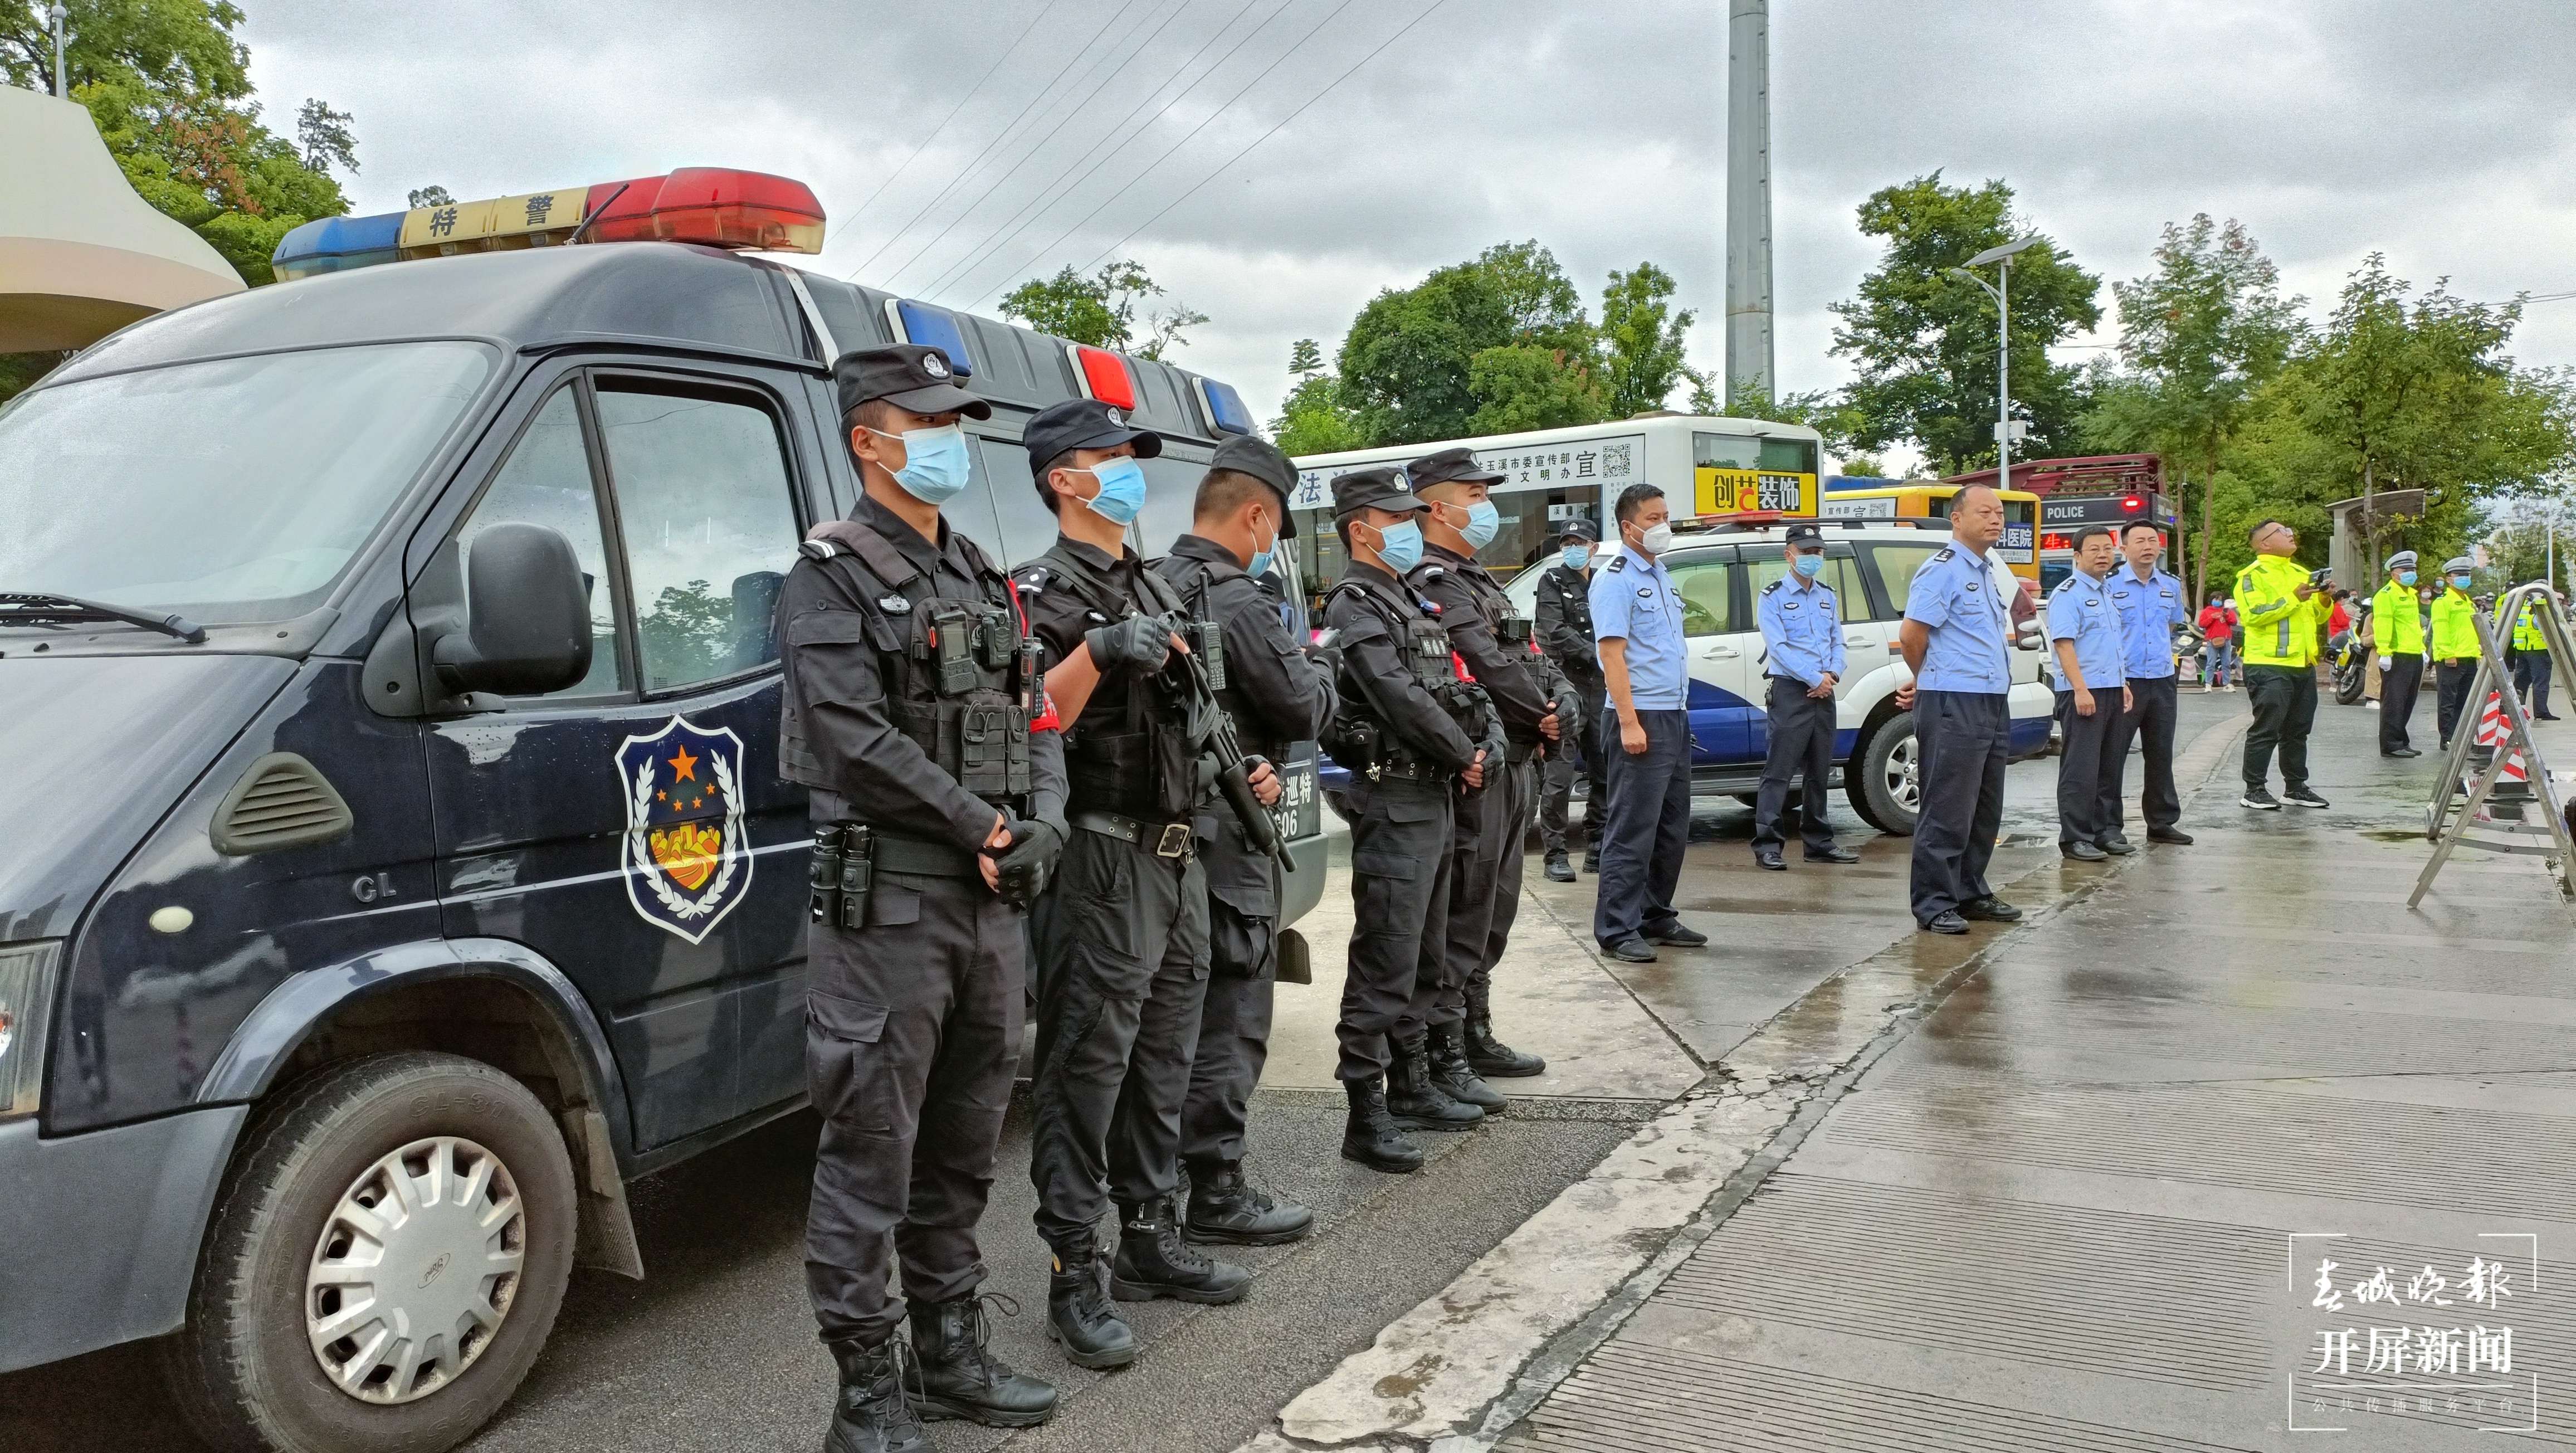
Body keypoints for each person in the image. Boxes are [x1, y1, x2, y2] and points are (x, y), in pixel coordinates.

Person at [776, 344, 1063, 1449]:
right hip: (889, 911)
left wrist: (1038, 815)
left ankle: (948, 1356)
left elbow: (1034, 713)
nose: (951, 438)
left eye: (956, 421)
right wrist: (981, 824)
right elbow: (850, 734)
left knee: (959, 1144)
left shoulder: (979, 573)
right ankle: (866, 1396)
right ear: (869, 440)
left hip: (988, 910)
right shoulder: (831, 574)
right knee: (872, 1152)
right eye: (929, 421)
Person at [1010, 399, 1242, 1371]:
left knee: (1163, 1053)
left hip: (1180, 849)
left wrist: (1243, 771)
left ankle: (1148, 1234)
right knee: (1087, 1063)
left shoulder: (1154, 578)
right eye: (1107, 456)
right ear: (1062, 477)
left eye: (1130, 455)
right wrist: (1098, 652)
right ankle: (1075, 1267)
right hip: (1103, 857)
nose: (1126, 469)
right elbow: (1032, 716)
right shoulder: (1039, 588)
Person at [1153, 436, 1330, 1247]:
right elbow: (1298, 704)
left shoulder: (1154, 582)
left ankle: (1167, 1194)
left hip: (1163, 841)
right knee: (1232, 1017)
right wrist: (1320, 671)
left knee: (1171, 1025)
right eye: (1276, 524)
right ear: (1256, 515)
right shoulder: (1240, 598)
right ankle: (1217, 1192)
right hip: (1231, 832)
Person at [1319, 467, 1498, 1173]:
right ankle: (1365, 1115)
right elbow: (1396, 697)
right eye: (1396, 518)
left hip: (1435, 793)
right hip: (1394, 797)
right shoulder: (1354, 606)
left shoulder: (1407, 600)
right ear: (1362, 529)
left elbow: (1453, 684)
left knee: (1426, 951)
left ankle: (1413, 1085)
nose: (1408, 527)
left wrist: (1477, 743)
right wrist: (1463, 754)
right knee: (1386, 957)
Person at [1406, 447, 1558, 1089]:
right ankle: (1448, 1052)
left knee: (1496, 907)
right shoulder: (1432, 580)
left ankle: (1475, 1028)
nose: (1485, 505)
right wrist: (1541, 711)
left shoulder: (1481, 578)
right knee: (1466, 909)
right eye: (1474, 495)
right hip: (1482, 764)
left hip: (1520, 759)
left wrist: (1559, 702)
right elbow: (1487, 665)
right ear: (1437, 506)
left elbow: (1528, 652)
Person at [1590, 482, 1710, 964]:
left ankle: (1654, 914)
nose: (1664, 525)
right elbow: (1611, 654)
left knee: (1671, 825)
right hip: (1639, 716)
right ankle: (1617, 929)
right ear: (1628, 526)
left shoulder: (1660, 574)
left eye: (1666, 514)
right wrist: (1629, 722)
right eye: (1654, 517)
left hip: (1673, 713)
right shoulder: (1616, 578)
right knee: (1632, 827)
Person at [1894, 485, 2022, 935]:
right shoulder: (1942, 570)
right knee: (1948, 806)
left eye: (2000, 512)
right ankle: (1934, 903)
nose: (1996, 519)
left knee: (1985, 805)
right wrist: (1930, 677)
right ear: (1958, 519)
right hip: (1954, 699)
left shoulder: (1987, 571)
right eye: (1985, 511)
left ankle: (1971, 890)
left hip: (1989, 699)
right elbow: (1913, 636)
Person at [1751, 521, 1860, 870]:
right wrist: (1816, 677)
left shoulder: (1827, 596)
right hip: (1791, 691)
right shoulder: (1772, 597)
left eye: (1818, 552)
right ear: (1789, 555)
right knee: (1778, 772)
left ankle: (1819, 842)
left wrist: (1832, 674)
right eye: (1806, 552)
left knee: (1820, 771)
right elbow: (1778, 647)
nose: (1813, 558)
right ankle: (1768, 845)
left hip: (1824, 692)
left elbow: (1837, 641)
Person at [2102, 520, 2193, 846]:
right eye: (2139, 541)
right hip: (2124, 683)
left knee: (2160, 754)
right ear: (2124, 548)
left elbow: (2179, 628)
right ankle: (2109, 827)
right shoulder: (2109, 585)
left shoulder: (2170, 584)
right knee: (2114, 755)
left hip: (2162, 679)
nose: (2147, 546)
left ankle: (2162, 822)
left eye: (2153, 540)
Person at [2235, 519, 2331, 810]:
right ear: (2264, 544)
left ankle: (2296, 787)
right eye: (2282, 533)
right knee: (2267, 729)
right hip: (2268, 664)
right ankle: (2254, 789)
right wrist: (2293, 598)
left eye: (2290, 531)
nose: (2291, 535)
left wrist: (2325, 599)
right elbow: (2254, 614)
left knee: (2298, 730)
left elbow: (2315, 617)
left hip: (2302, 663)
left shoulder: (2301, 573)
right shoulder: (2252, 575)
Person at [2048, 526, 2131, 861]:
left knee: (2108, 766)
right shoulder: (2068, 594)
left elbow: (2110, 647)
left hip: (2110, 689)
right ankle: (2076, 837)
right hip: (2083, 690)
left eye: (2107, 549)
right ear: (2077, 556)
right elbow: (2064, 645)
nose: (2102, 555)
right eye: (2094, 549)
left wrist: (2123, 684)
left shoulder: (2107, 591)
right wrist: (2080, 690)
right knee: (2080, 768)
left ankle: (2105, 832)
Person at [1535, 519, 1608, 882]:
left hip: (1603, 688)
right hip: (1566, 686)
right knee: (1559, 776)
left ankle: (1597, 847)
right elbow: (1553, 630)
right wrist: (1598, 654)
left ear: (1594, 548)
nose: (1572, 548)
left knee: (1605, 771)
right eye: (1567, 543)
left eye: (1579, 542)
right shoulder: (1552, 581)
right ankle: (1555, 855)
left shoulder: (1606, 581)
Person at [2368, 551, 2426, 757]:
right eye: (2406, 570)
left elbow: (2412, 626)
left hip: (2413, 653)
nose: (2411, 573)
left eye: (2413, 570)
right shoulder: (2386, 595)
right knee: (2394, 701)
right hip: (2396, 654)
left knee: (2407, 700)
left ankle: (2401, 740)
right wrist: (2384, 651)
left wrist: (2422, 649)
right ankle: (2390, 744)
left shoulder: (2410, 594)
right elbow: (2384, 625)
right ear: (2394, 574)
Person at [2431, 556, 2482, 750]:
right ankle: (2447, 738)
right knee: (2448, 701)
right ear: (2449, 579)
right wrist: (2447, 654)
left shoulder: (2467, 601)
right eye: (2459, 575)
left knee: (2465, 700)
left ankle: (2461, 736)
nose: (2464, 578)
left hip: (2469, 657)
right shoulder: (2443, 602)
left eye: (2467, 575)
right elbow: (2441, 630)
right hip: (2451, 659)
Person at [2511, 589, 2560, 721]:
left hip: (2522, 650)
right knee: (2541, 682)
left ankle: (2515, 710)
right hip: (2538, 651)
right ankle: (2541, 712)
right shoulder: (2539, 609)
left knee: (2520, 682)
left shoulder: (2523, 609)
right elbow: (2547, 627)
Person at [2196, 593, 2236, 691]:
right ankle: (2208, 684)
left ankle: (2227, 684)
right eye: (2216, 599)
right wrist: (2212, 618)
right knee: (2211, 663)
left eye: (2220, 599)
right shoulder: (2206, 611)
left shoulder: (2227, 610)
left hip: (2226, 640)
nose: (2218, 601)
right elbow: (2202, 624)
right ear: (2212, 600)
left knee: (2226, 663)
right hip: (2211, 640)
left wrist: (2226, 616)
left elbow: (2234, 622)